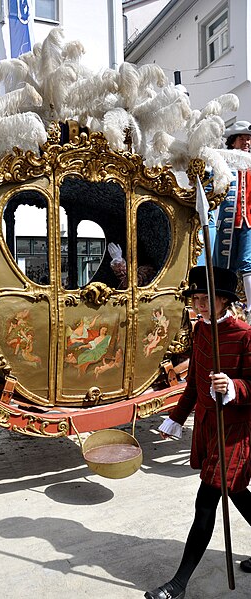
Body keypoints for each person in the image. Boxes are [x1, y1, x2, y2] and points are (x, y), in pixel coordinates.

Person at [144, 265, 251, 599]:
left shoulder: (245, 335)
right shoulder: (201, 331)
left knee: (205, 502)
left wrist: (233, 387)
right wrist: (175, 419)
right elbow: (193, 383)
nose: (199, 305)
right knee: (233, 492)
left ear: (223, 301)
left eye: (206, 299)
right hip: (207, 427)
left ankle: (178, 584)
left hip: (234, 431)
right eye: (196, 299)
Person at [213, 121, 251, 318]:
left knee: (247, 263)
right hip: (229, 222)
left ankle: (250, 308)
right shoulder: (224, 162)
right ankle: (226, 306)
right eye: (242, 138)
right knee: (225, 266)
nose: (246, 142)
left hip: (249, 222)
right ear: (233, 141)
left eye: (248, 138)